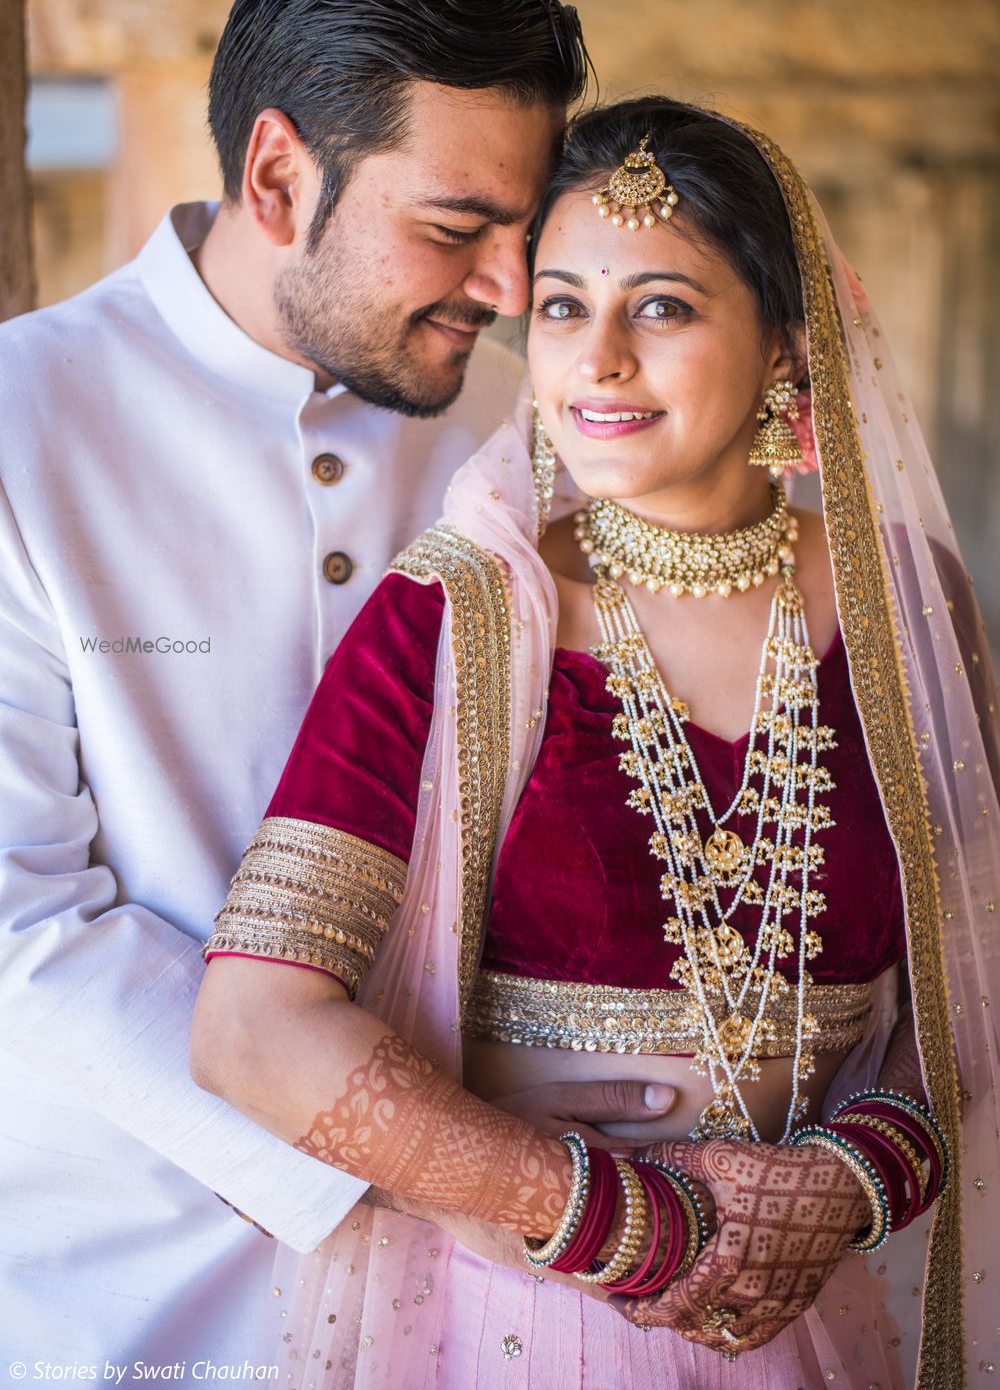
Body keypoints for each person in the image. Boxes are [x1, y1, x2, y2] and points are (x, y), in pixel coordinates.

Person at [192, 97, 999, 1388]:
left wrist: (850, 1178)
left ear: (789, 345)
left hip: (812, 1303)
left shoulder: (906, 606)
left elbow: (976, 964)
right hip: (534, 1305)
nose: (596, 360)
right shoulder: (455, 614)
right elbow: (252, 1030)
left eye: (663, 308)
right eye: (563, 308)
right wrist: (623, 1221)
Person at [0, 0, 681, 1372]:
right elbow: (18, 929)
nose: (509, 291)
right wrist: (441, 1173)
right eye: (456, 227)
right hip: (131, 1305)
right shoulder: (19, 427)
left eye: (524, 230)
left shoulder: (536, 434)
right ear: (277, 172)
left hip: (516, 1306)